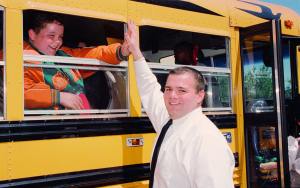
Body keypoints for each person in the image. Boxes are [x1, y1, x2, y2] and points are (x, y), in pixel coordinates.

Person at [125, 21, 235, 188]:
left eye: (182, 90)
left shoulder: (206, 140)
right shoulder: (169, 122)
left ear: (200, 96)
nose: (172, 96)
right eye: (168, 89)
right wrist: (136, 52)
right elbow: (150, 89)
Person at [24, 12, 129, 110]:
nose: (57, 42)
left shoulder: (63, 54)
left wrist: (120, 51)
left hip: (78, 122)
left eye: (60, 37)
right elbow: (19, 94)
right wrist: (59, 97)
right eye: (51, 36)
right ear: (32, 35)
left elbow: (93, 54)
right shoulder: (22, 58)